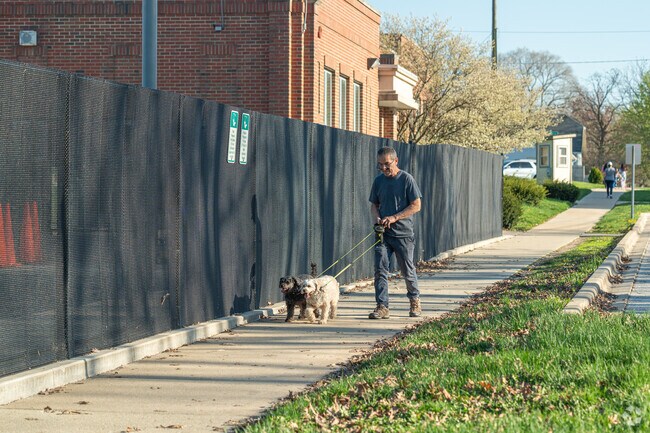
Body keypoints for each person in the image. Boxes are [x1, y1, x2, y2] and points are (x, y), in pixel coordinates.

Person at [368, 147, 423, 319]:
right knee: (380, 270)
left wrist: (394, 217)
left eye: (387, 164)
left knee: (407, 270)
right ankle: (382, 306)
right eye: (380, 165)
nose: (383, 168)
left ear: (396, 161)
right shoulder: (378, 181)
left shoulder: (406, 179)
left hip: (403, 234)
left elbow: (416, 205)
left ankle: (414, 300)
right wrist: (377, 218)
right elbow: (374, 205)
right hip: (383, 234)